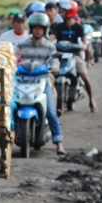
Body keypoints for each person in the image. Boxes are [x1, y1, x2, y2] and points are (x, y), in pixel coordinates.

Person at [17, 13, 66, 156]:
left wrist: (55, 67)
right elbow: (14, 58)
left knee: (51, 110)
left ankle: (59, 143)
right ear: (31, 28)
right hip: (22, 81)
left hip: (43, 81)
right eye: (35, 27)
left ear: (45, 29)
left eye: (41, 28)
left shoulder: (50, 47)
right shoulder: (21, 46)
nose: (38, 30)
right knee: (9, 106)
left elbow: (54, 61)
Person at [52, 0, 97, 111]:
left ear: (70, 12)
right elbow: (51, 39)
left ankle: (91, 101)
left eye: (63, 11)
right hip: (60, 56)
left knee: (84, 76)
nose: (60, 13)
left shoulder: (78, 27)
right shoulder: (58, 27)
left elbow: (84, 41)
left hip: (74, 56)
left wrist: (84, 46)